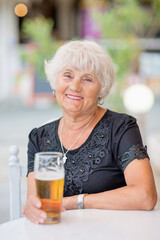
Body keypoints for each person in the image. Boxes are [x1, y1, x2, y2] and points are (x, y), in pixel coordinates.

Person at [23, 40, 157, 224]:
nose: (75, 86)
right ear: (55, 81)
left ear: (101, 90)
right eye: (68, 75)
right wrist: (32, 208)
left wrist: (73, 202)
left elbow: (145, 196)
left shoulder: (121, 127)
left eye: (87, 79)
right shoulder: (39, 138)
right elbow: (37, 204)